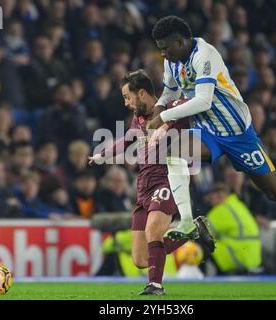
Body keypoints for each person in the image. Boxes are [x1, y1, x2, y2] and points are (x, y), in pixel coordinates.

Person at [147, 16, 276, 241]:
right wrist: (159, 108)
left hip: (238, 133)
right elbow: (170, 92)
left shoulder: (205, 55)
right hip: (207, 130)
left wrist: (162, 116)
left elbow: (204, 101)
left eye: (165, 48)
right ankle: (186, 221)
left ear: (181, 42)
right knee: (174, 153)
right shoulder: (171, 60)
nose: (162, 53)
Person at [88, 70, 214, 295]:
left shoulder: (173, 110)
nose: (126, 103)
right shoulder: (138, 118)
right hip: (143, 185)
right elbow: (127, 140)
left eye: (128, 97)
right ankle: (192, 230)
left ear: (142, 93)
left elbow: (197, 102)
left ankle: (155, 285)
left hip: (168, 180)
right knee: (140, 258)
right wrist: (101, 155)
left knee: (153, 229)